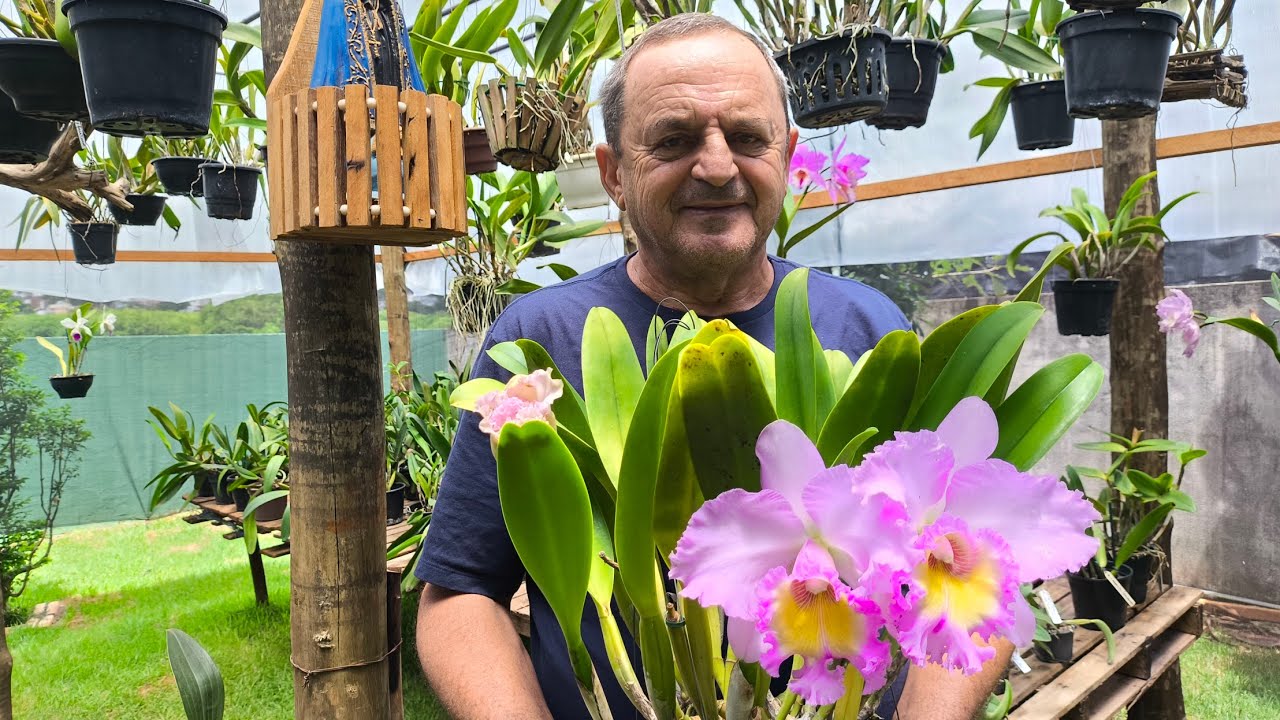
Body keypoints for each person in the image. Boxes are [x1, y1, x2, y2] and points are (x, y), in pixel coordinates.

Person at [415, 13, 1013, 719]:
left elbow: (980, 568)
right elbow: (459, 591)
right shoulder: (543, 342)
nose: (718, 165)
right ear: (612, 173)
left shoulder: (872, 335)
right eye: (673, 139)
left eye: (748, 137)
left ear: (787, 157)